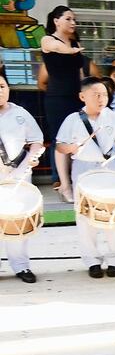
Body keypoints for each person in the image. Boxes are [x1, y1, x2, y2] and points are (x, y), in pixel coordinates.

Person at [55, 77, 115, 278]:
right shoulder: (73, 120)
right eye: (96, 95)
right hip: (83, 168)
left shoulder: (113, 117)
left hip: (109, 168)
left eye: (104, 94)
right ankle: (92, 261)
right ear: (82, 97)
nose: (101, 98)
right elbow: (60, 146)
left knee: (113, 214)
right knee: (85, 217)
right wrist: (71, 148)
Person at [38, 6, 100, 203]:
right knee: (62, 142)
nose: (73, 22)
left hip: (76, 97)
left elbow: (79, 73)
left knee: (81, 139)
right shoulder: (47, 40)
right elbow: (58, 48)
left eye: (74, 19)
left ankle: (78, 182)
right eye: (68, 19)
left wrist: (87, 94)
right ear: (56, 21)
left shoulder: (75, 43)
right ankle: (64, 185)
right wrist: (70, 50)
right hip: (57, 99)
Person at [0, 72, 45, 283]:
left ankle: (21, 266)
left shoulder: (20, 113)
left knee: (17, 220)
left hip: (19, 173)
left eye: (2, 86)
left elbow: (36, 140)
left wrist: (32, 158)